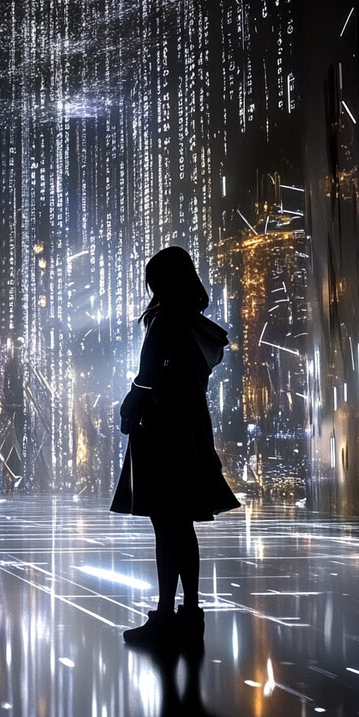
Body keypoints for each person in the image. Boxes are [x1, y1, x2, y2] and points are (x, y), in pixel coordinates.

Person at [111, 246, 240, 647]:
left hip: (164, 430)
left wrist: (129, 406)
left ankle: (168, 614)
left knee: (167, 524)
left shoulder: (166, 319)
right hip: (188, 428)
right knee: (179, 525)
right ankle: (187, 612)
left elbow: (147, 376)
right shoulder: (192, 323)